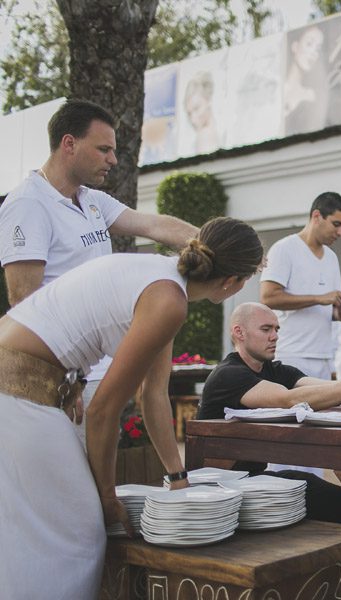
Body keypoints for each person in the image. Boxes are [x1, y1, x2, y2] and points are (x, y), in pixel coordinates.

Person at [0, 216, 263, 598]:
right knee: (81, 531)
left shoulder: (163, 281)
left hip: (25, 383)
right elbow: (104, 410)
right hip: (18, 392)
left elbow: (153, 396)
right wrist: (107, 497)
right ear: (232, 282)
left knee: (30, 530)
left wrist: (178, 478)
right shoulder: (168, 300)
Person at [0, 98, 198, 446]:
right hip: (62, 378)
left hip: (97, 373)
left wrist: (218, 244)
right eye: (104, 149)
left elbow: (154, 225)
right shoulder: (27, 204)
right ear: (69, 144)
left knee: (94, 488)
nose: (114, 160)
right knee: (73, 492)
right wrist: (66, 377)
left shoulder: (90, 199)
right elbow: (23, 304)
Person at [198, 302, 341, 526]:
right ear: (239, 332)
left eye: (277, 329)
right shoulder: (229, 375)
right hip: (217, 493)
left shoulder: (276, 370)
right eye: (266, 329)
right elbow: (288, 400)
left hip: (251, 483)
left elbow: (327, 389)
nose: (274, 336)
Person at [260, 191, 341, 475]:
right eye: (336, 224)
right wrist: (320, 298)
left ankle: (312, 497)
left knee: (318, 435)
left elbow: (331, 306)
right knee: (290, 435)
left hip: (323, 356)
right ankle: (280, 493)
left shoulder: (331, 257)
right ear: (317, 216)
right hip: (291, 355)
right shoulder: (284, 249)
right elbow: (268, 296)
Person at [283, 26, 328, 135]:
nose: (313, 53)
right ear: (295, 46)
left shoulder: (311, 96)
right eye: (309, 44)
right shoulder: (276, 88)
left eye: (317, 49)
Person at [183, 70, 220, 154]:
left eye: (196, 108)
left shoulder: (205, 136)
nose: (193, 119)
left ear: (209, 100)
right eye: (189, 113)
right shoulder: (210, 133)